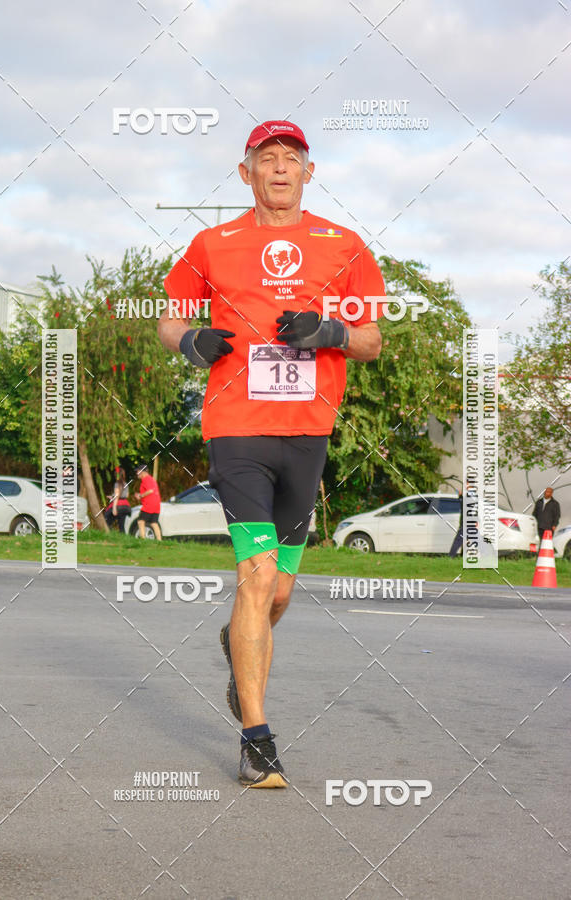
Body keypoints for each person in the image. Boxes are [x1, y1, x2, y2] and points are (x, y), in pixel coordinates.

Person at [159, 120, 384, 788]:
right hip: (236, 427)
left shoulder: (343, 246)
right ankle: (257, 741)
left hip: (307, 432)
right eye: (267, 159)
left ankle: (240, 649)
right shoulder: (214, 244)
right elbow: (169, 317)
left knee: (278, 591)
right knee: (255, 576)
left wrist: (330, 329)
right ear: (246, 172)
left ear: (308, 174)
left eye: (292, 159)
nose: (280, 169)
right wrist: (189, 341)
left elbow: (372, 340)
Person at [134, 464, 162, 540]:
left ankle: (143, 540)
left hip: (149, 504)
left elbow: (150, 490)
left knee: (140, 521)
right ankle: (159, 541)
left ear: (142, 472)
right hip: (156, 504)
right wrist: (140, 496)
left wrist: (141, 496)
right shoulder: (151, 479)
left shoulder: (146, 479)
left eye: (138, 471)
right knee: (154, 523)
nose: (137, 473)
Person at [104, 467, 132, 533]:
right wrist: (112, 497)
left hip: (118, 505)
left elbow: (117, 496)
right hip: (126, 506)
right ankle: (122, 539)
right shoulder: (126, 484)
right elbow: (126, 495)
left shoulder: (117, 484)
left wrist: (114, 508)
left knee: (106, 520)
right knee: (121, 525)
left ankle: (107, 534)